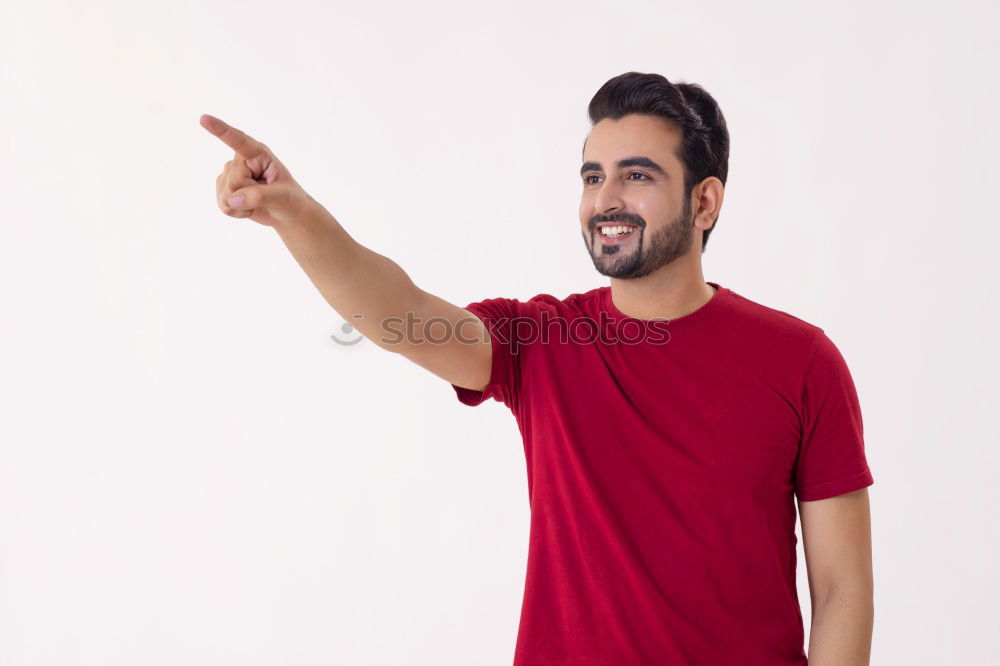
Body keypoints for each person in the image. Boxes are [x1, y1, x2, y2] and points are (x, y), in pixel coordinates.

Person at [200, 71, 874, 665]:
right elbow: (397, 313)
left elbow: (842, 590)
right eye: (592, 176)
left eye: (637, 175)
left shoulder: (802, 362)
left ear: (704, 202)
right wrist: (297, 216)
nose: (605, 198)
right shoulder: (542, 341)